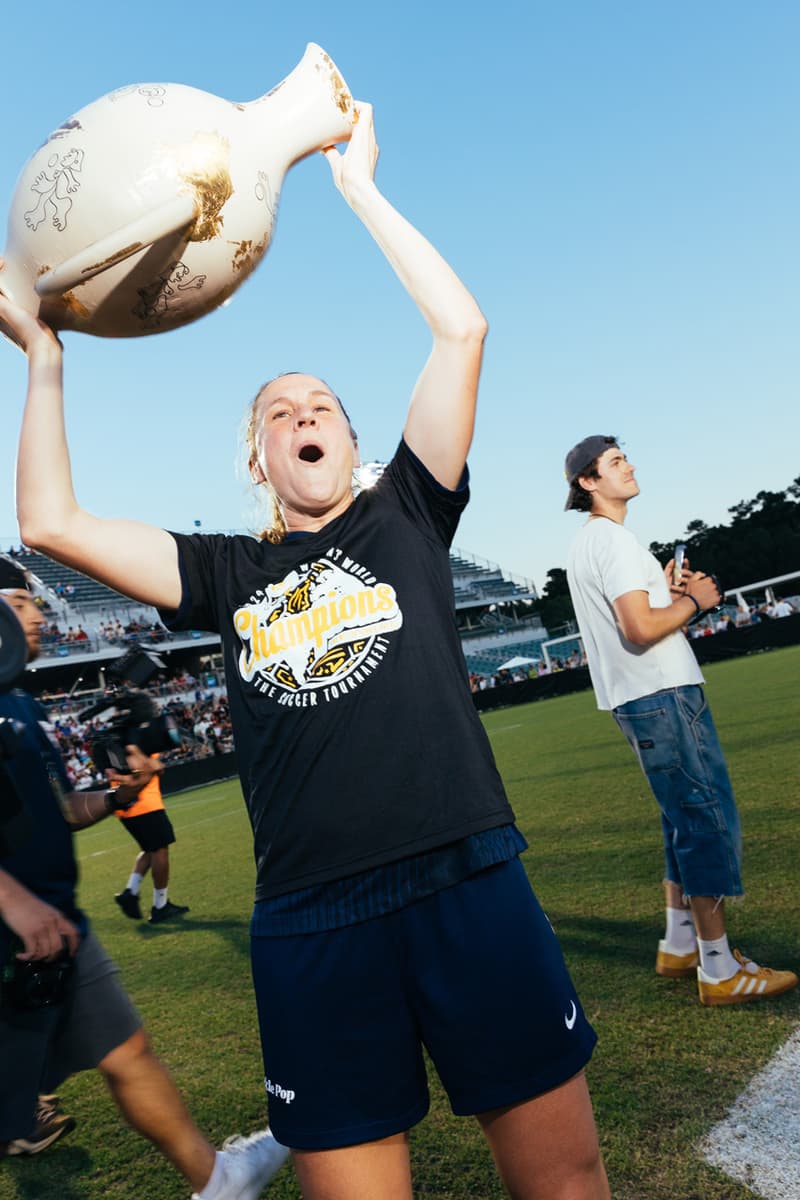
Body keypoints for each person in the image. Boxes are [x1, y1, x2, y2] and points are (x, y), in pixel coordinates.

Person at [2, 104, 609, 1199]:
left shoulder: (407, 516)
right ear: (260, 456)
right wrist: (46, 357)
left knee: (562, 1185)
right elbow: (50, 523)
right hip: (310, 922)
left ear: (352, 439)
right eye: (279, 412)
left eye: (320, 402)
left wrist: (360, 190)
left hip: (463, 878)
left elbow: (460, 331)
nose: (302, 414)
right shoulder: (226, 570)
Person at [0, 561, 289, 1195]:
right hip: (18, 928)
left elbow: (54, 812)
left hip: (57, 927)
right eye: (23, 602)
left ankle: (217, 1181)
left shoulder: (18, 699)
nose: (39, 615)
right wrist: (10, 898)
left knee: (128, 1052)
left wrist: (112, 796)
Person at [563, 435, 798, 1008]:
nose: (629, 466)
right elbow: (639, 629)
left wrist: (666, 596)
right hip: (661, 693)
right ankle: (718, 968)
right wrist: (698, 602)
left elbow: (637, 616)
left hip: (642, 695)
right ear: (589, 482)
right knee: (703, 818)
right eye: (616, 462)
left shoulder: (590, 542)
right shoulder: (612, 540)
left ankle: (680, 941)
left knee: (681, 818)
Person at [114, 754, 190, 924]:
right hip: (144, 804)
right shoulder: (133, 742)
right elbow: (156, 767)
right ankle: (160, 906)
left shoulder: (115, 743)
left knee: (149, 849)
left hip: (127, 807)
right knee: (160, 849)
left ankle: (130, 892)